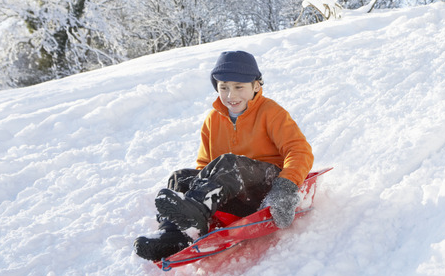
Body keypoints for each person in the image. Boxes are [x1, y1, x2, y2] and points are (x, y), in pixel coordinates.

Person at [134, 50, 314, 261]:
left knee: (228, 162)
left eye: (239, 87)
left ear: (256, 86)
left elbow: (299, 150)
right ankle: (174, 234)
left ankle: (196, 215)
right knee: (180, 177)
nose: (231, 95)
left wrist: (285, 187)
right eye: (224, 87)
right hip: (232, 193)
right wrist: (197, 185)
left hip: (266, 186)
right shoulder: (213, 119)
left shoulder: (271, 112)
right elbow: (204, 164)